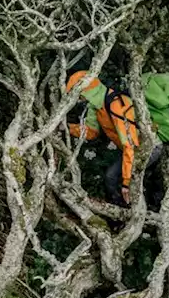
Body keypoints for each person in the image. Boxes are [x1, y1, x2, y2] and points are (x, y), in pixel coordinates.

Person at [66, 70, 157, 207]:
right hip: (132, 149)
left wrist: (127, 181)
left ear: (86, 91)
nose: (78, 98)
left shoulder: (117, 105)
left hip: (149, 147)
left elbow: (129, 145)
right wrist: (67, 128)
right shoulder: (96, 106)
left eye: (79, 94)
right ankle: (121, 209)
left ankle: (134, 210)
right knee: (111, 176)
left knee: (128, 183)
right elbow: (91, 132)